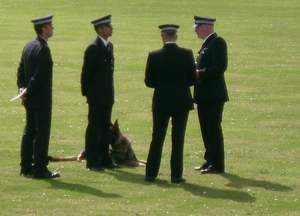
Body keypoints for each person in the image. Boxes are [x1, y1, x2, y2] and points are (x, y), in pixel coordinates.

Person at [144, 24, 196, 183]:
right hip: (181, 101)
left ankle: (151, 173)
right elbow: (193, 80)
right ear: (176, 36)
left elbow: (149, 82)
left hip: (161, 102)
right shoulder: (187, 54)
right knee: (178, 139)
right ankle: (176, 175)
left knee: (157, 137)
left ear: (163, 37)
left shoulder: (154, 55)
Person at [17, 15, 60, 179]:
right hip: (40, 98)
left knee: (29, 131)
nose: (52, 28)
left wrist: (22, 88)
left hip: (29, 98)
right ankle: (40, 168)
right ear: (44, 28)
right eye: (51, 26)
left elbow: (21, 70)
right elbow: (39, 76)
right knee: (41, 133)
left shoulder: (28, 46)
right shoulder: (43, 49)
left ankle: (26, 166)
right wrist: (27, 89)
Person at [81, 15, 118, 171]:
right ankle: (92, 159)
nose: (111, 28)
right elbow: (86, 74)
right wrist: (88, 95)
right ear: (101, 29)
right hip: (96, 97)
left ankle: (104, 157)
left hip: (107, 96)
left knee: (105, 127)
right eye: (108, 26)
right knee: (94, 127)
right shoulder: (93, 48)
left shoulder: (109, 47)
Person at [193, 16, 229, 174]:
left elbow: (219, 67)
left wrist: (198, 73)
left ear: (206, 27)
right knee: (206, 129)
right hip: (203, 96)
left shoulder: (218, 42)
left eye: (197, 27)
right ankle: (209, 160)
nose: (195, 30)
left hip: (213, 96)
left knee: (213, 129)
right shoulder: (207, 44)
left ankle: (218, 164)